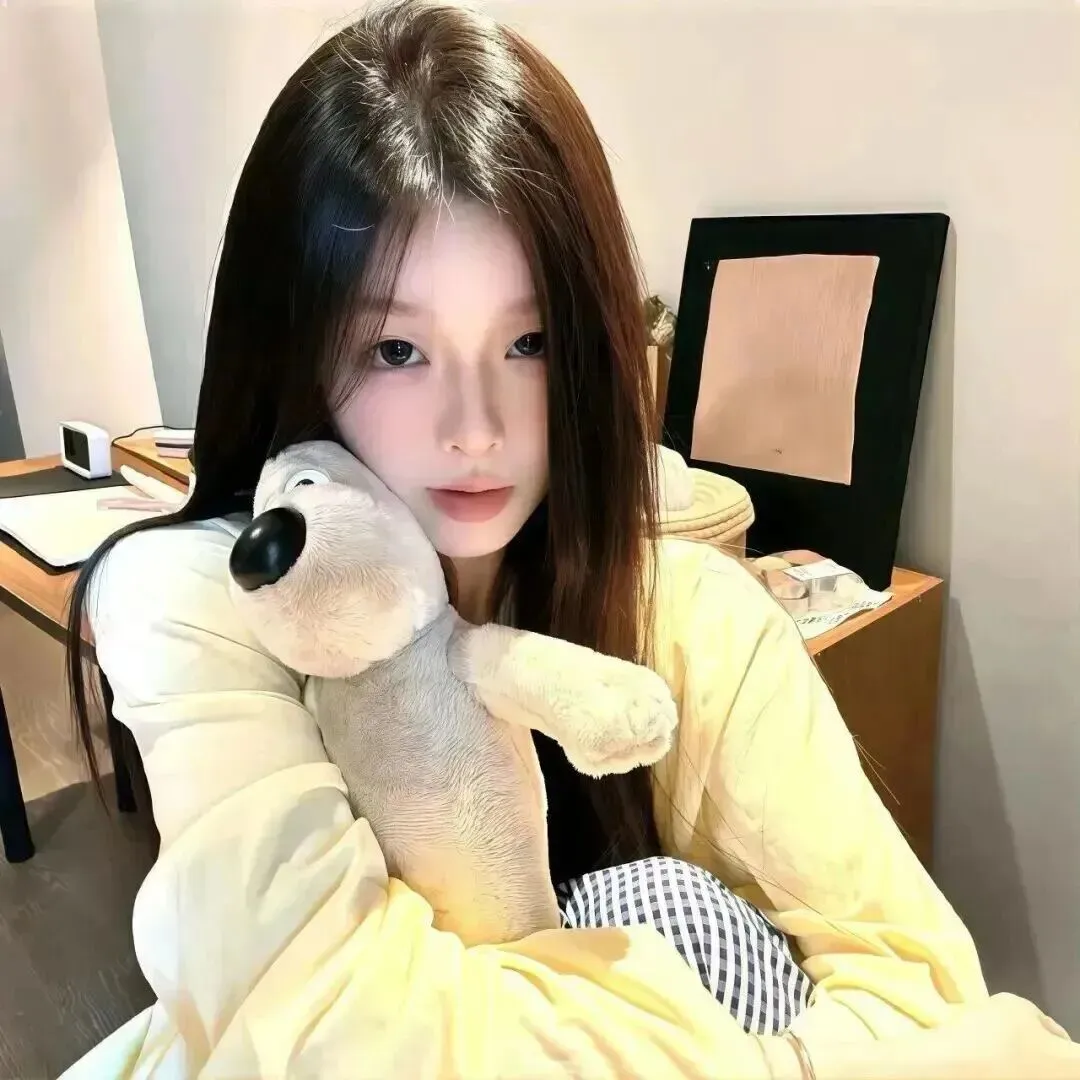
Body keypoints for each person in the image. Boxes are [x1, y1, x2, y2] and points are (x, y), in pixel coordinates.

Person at [63, 2, 1079, 1077]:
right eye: (397, 349)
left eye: (530, 340)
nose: (475, 428)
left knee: (682, 910)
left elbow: (919, 984)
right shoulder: (205, 599)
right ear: (294, 350)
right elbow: (341, 1038)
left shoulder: (692, 617)